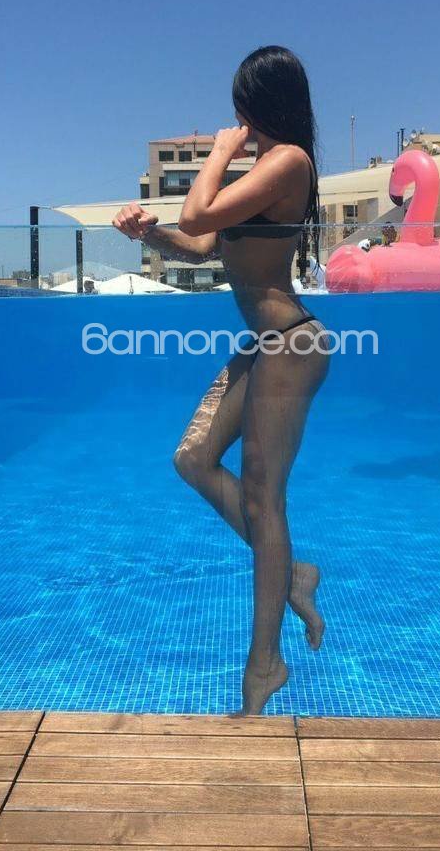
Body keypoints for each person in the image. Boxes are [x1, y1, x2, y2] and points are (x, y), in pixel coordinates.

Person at [113, 46, 330, 715]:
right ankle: (292, 572)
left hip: (291, 342)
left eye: (240, 107)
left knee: (265, 500)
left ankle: (264, 667)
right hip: (265, 345)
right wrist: (145, 234)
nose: (235, 120)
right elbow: (199, 242)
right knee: (193, 459)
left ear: (255, 105)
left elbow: (198, 215)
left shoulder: (288, 161)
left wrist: (218, 151)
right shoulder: (265, 170)